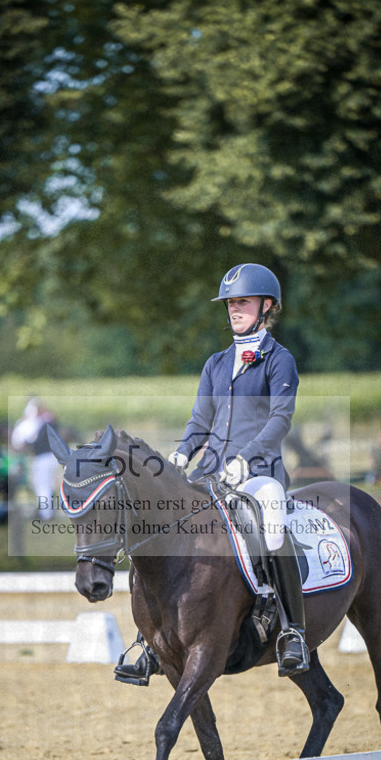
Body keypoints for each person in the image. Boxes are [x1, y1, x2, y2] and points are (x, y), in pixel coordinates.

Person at [115, 262, 309, 685]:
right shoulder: (217, 363)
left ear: (267, 306)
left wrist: (247, 458)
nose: (234, 309)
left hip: (259, 473)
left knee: (272, 525)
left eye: (243, 302)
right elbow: (200, 421)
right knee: (158, 525)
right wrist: (181, 454)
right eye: (230, 303)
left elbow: (280, 420)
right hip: (211, 472)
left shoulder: (280, 360)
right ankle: (148, 639)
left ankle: (292, 631)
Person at [10, 399, 60, 518]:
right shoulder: (46, 423)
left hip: (44, 457)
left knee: (43, 485)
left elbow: (35, 441)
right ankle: (46, 511)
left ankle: (46, 513)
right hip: (45, 457)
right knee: (44, 485)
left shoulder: (44, 424)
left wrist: (24, 444)